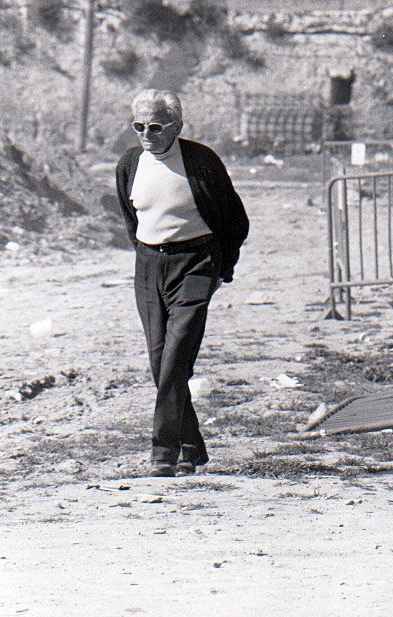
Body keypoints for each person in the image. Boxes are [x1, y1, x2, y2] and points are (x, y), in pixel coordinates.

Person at [115, 89, 249, 477]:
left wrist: (222, 268)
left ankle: (163, 451)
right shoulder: (129, 163)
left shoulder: (202, 161)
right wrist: (147, 258)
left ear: (177, 126)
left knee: (175, 357)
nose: (146, 134)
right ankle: (191, 445)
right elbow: (131, 218)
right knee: (161, 363)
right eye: (138, 126)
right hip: (149, 266)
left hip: (196, 263)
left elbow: (234, 221)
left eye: (155, 127)